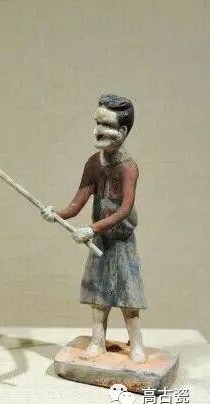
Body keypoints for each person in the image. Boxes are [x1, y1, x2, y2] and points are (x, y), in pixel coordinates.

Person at [41, 94, 147, 363]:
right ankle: (97, 342)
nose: (99, 130)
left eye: (107, 125)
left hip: (121, 240)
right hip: (100, 238)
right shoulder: (93, 163)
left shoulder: (128, 168)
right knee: (98, 293)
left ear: (123, 131)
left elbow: (124, 209)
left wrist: (92, 229)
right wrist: (57, 213)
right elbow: (77, 203)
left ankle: (137, 345)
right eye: (98, 123)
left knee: (128, 294)